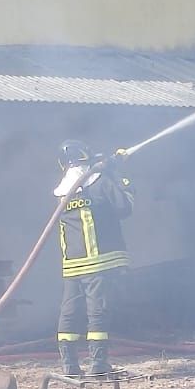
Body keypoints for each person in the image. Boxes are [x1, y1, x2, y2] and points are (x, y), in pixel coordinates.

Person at [53, 140, 135, 376]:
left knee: (68, 312)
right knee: (97, 311)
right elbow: (125, 207)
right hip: (98, 263)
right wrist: (118, 175)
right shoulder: (100, 183)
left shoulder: (62, 193)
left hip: (72, 265)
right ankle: (98, 365)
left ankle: (70, 366)